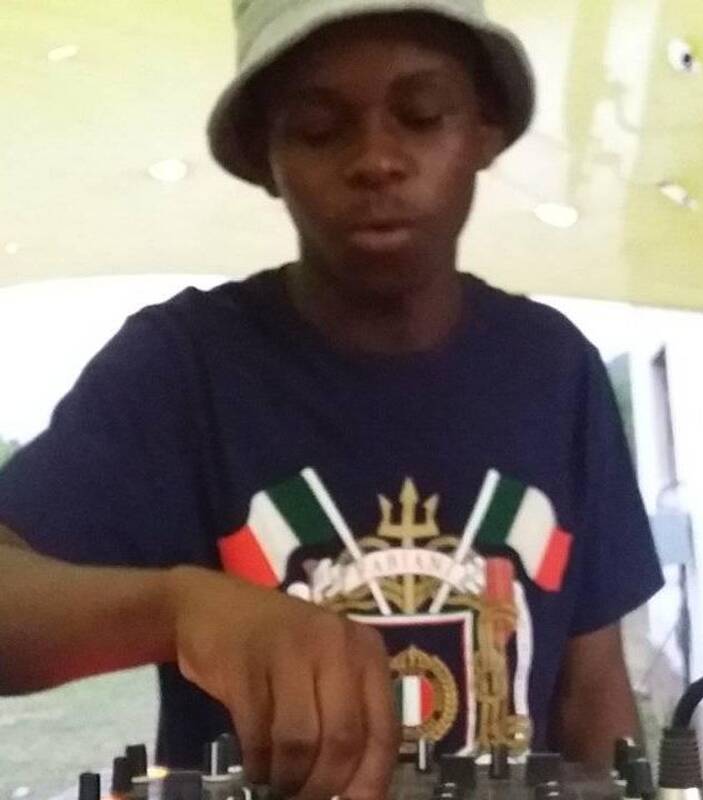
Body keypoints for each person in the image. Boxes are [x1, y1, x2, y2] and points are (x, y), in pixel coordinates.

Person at [0, 2, 664, 799]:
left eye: (423, 116)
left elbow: (594, 691)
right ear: (265, 155)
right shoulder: (182, 369)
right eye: (318, 129)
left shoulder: (557, 371)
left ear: (485, 129)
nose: (377, 160)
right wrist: (177, 610)